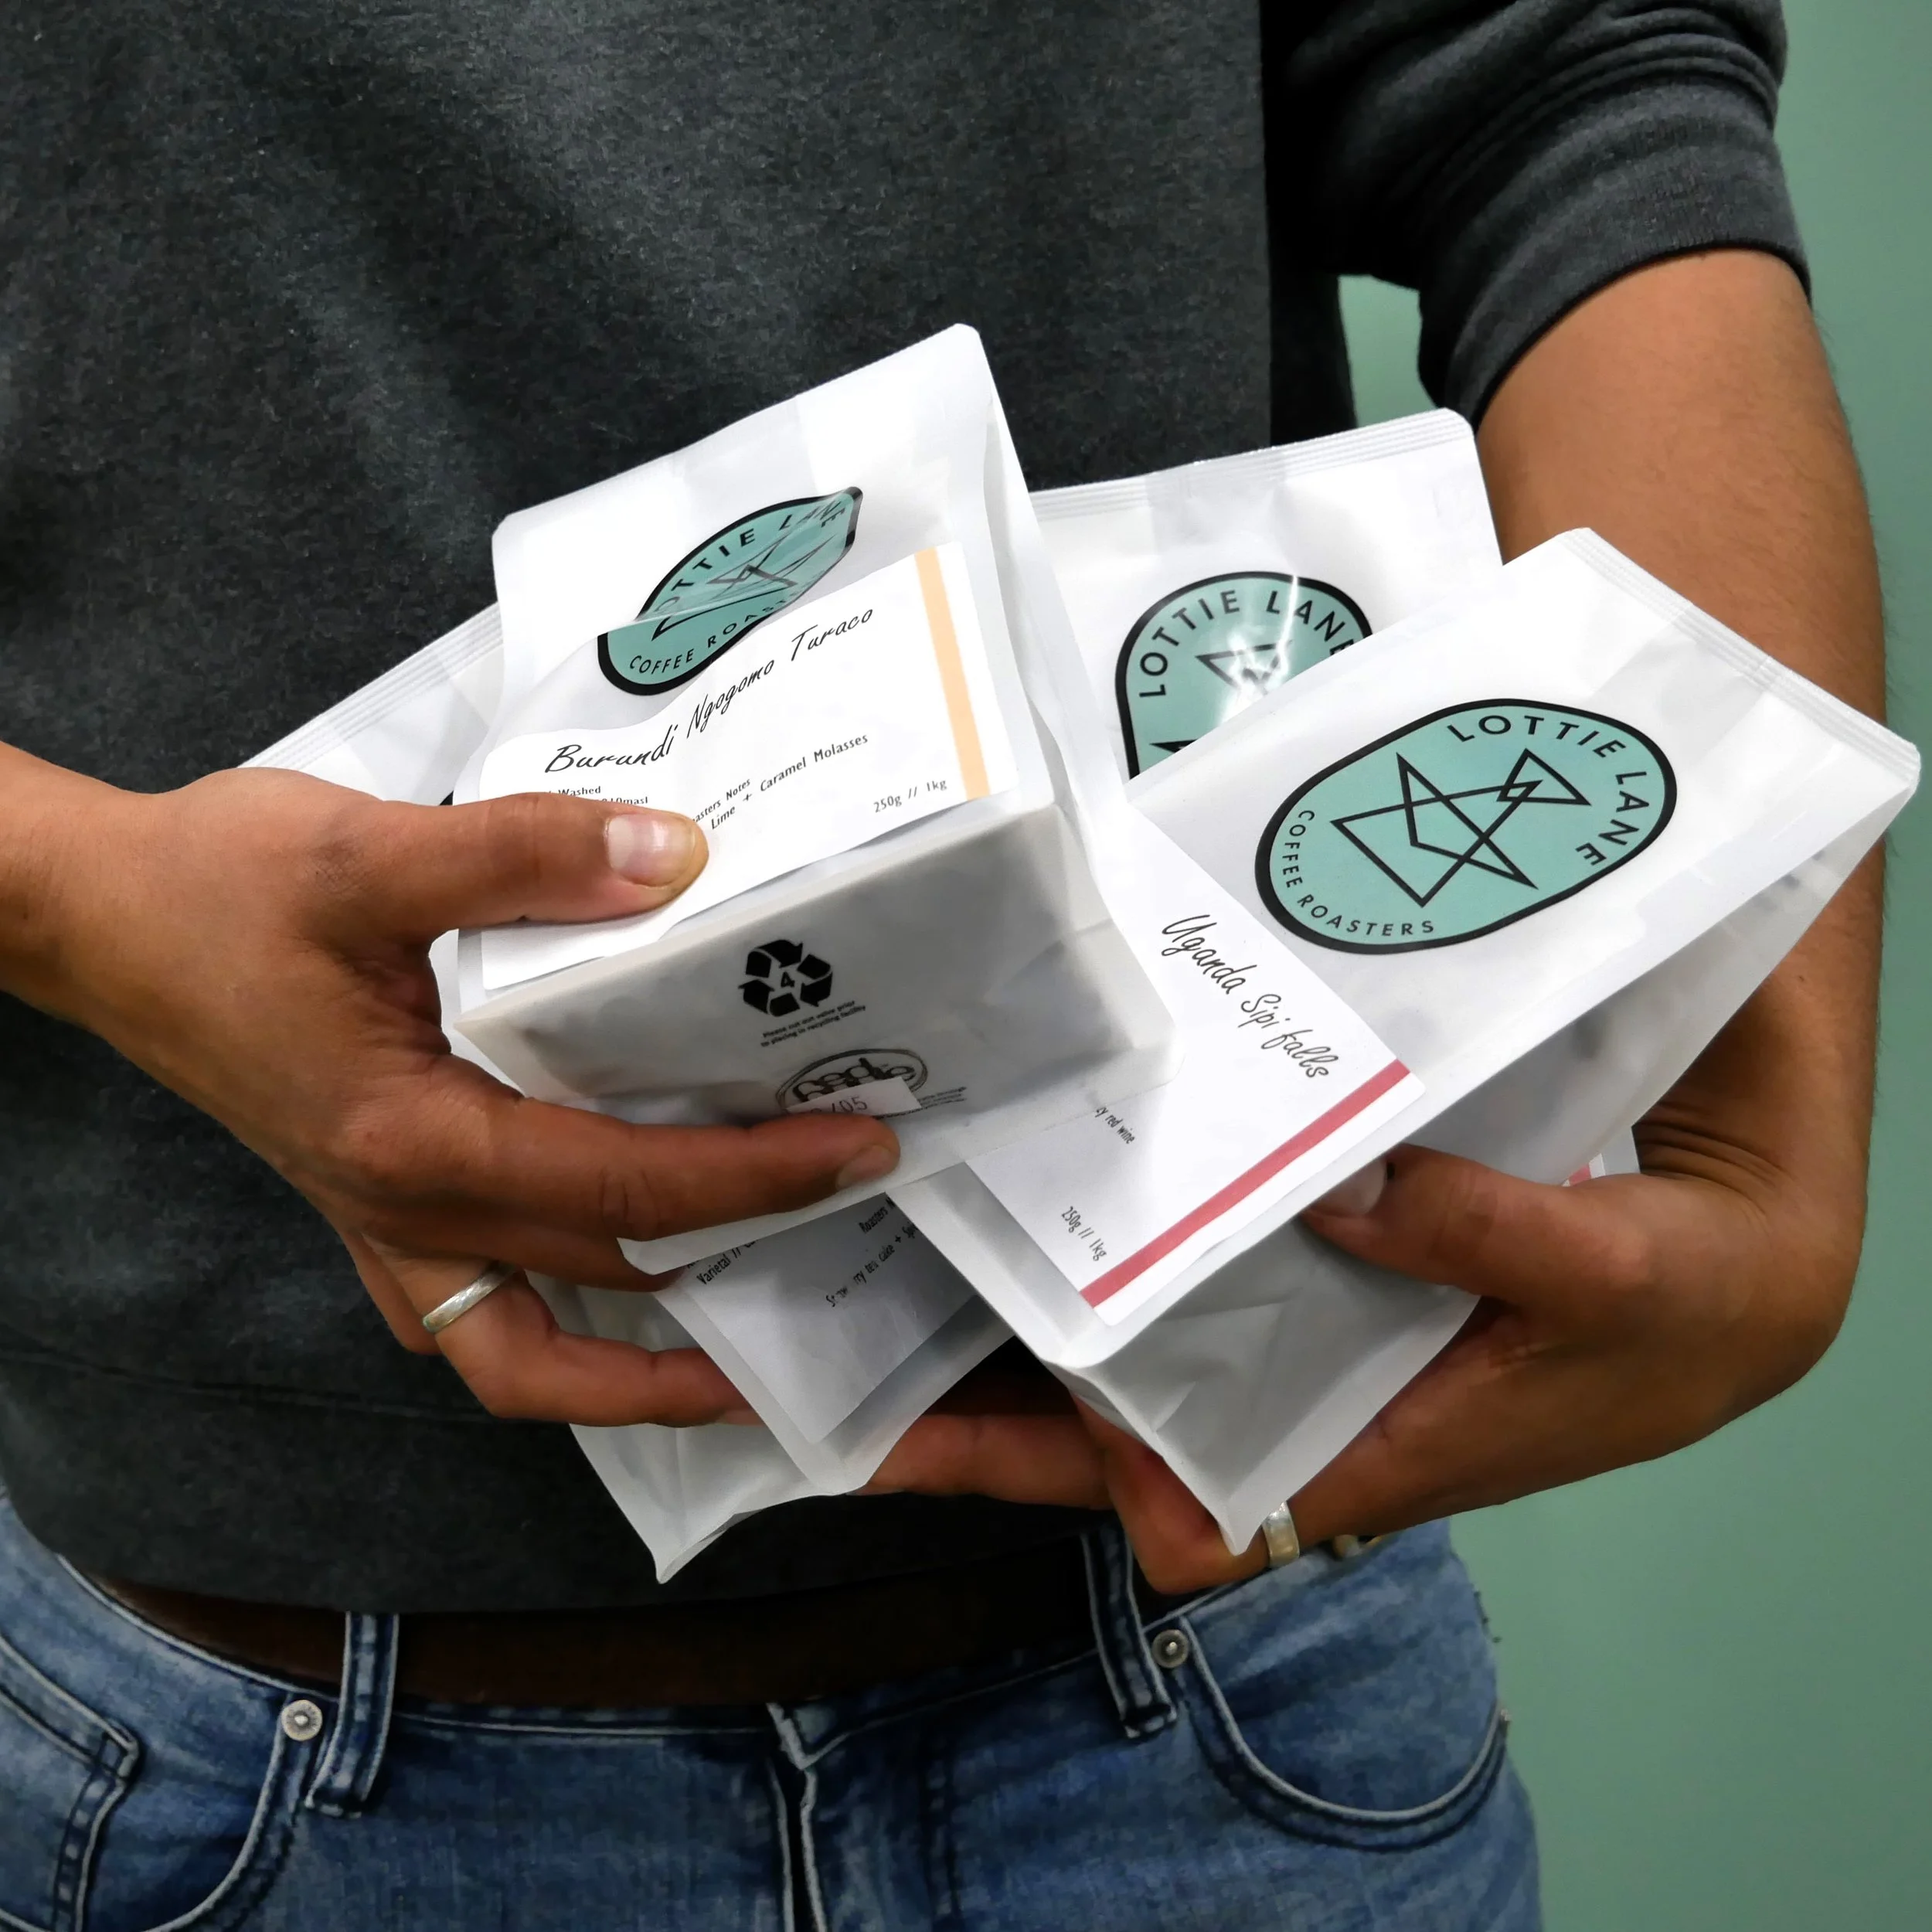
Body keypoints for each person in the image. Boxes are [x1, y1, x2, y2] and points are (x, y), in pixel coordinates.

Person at [0, 2, 1882, 1927]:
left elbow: (1563, 85)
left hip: (1244, 1676)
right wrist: (70, 890)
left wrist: (1755, 1112)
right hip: (240, 1737)